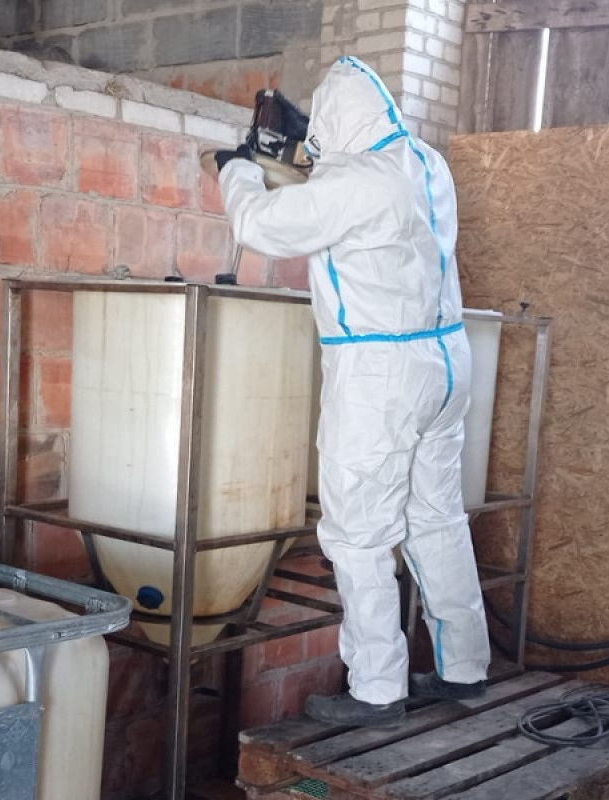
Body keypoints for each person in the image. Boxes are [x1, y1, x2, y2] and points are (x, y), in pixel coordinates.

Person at [214, 57, 490, 727]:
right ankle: (464, 669)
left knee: (358, 535)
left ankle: (376, 689)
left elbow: (261, 226)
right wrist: (311, 151)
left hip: (380, 375)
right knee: (437, 519)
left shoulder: (358, 181)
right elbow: (339, 191)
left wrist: (237, 169)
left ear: (338, 123)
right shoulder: (425, 163)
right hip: (445, 360)